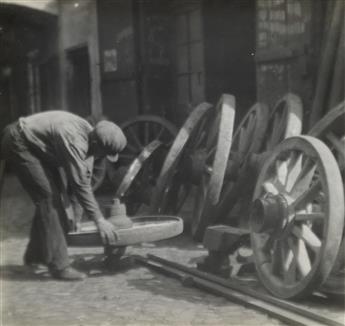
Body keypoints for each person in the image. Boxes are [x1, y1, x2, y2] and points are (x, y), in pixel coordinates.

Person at [0, 110, 132, 281]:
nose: (102, 158)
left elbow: (85, 183)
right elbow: (79, 185)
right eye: (103, 154)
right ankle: (60, 266)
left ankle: (36, 256)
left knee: (54, 199)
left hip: (40, 147)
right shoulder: (75, 140)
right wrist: (99, 220)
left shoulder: (91, 142)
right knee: (49, 199)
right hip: (19, 141)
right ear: (97, 145)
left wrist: (76, 218)